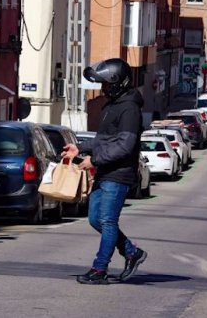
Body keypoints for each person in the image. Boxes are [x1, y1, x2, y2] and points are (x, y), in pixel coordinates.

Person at [62, 58, 147, 285]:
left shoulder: (129, 109)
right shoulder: (113, 105)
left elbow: (124, 145)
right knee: (95, 220)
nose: (102, 89)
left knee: (108, 221)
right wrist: (80, 148)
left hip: (118, 174)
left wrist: (95, 160)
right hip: (105, 172)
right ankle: (131, 252)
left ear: (117, 83)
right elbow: (105, 140)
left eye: (105, 84)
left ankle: (99, 269)